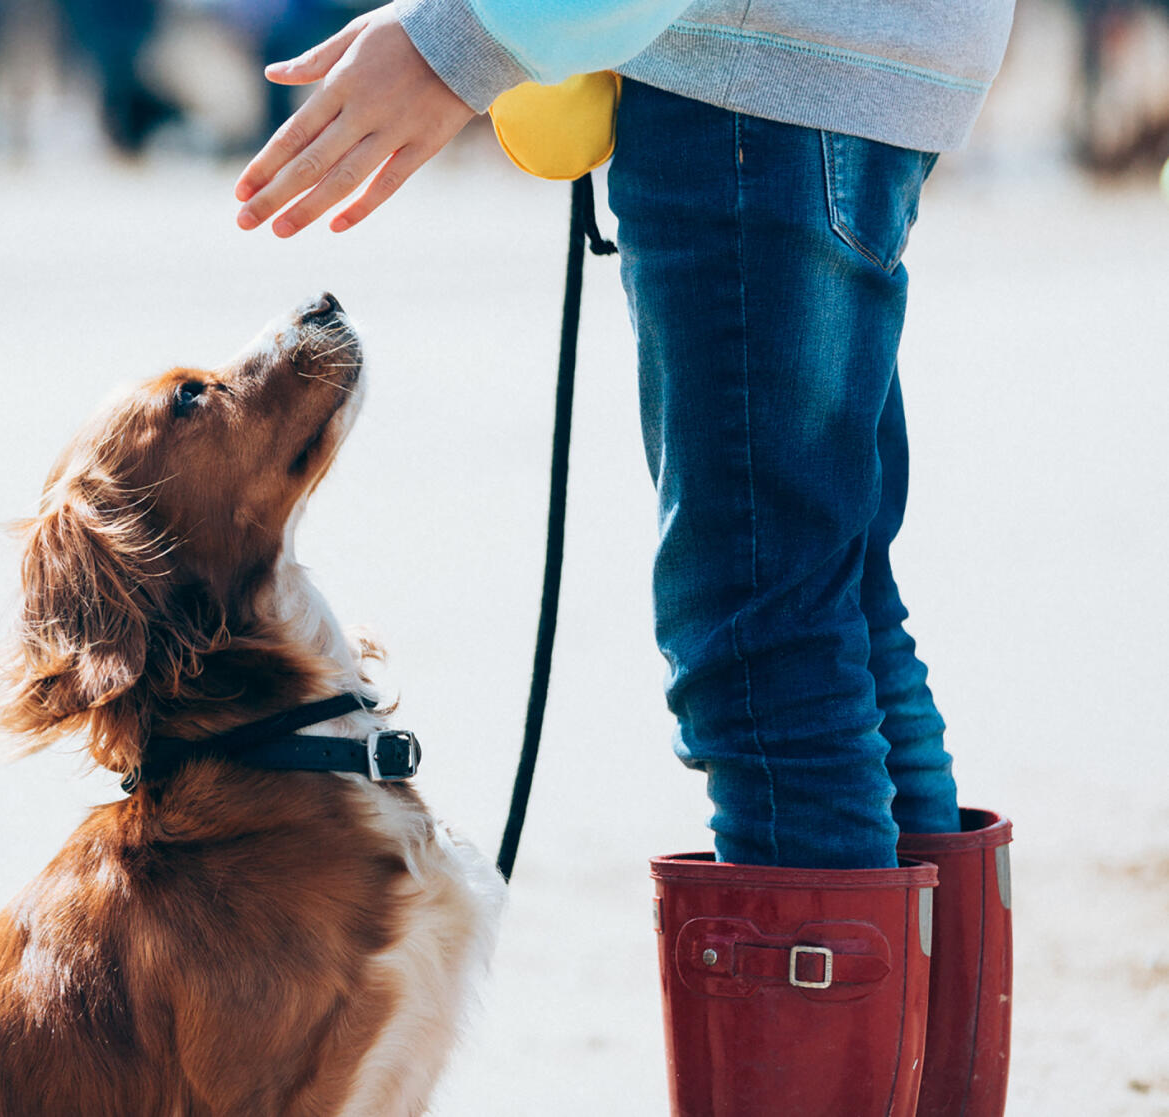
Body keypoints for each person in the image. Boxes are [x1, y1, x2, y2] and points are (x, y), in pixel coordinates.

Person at [235, 4, 1018, 1115]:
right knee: (832, 605)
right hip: (865, 67)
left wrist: (459, 41)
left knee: (763, 639)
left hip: (757, 75)